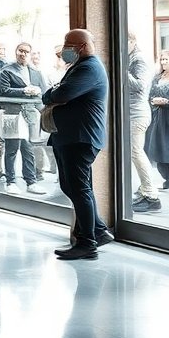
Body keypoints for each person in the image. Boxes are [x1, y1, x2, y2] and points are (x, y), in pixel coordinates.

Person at [43, 29, 112, 260]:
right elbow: (58, 93)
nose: (64, 49)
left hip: (80, 138)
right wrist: (53, 92)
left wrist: (52, 92)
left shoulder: (89, 67)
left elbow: (62, 94)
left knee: (79, 188)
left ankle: (87, 243)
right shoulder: (80, 66)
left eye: (68, 44)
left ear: (81, 46)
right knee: (72, 187)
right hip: (71, 137)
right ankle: (99, 231)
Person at [0, 42, 48, 196]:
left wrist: (42, 104)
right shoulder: (6, 71)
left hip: (30, 113)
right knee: (12, 147)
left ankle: (31, 181)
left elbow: (43, 92)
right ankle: (10, 181)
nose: (23, 54)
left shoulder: (35, 72)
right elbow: (3, 90)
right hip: (12, 113)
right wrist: (24, 91)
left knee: (28, 148)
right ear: (16, 52)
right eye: (21, 51)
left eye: (26, 51)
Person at [143, 50, 169, 212]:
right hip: (158, 120)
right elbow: (150, 96)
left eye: (166, 59)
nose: (163, 62)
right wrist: (154, 101)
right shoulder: (157, 78)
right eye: (161, 60)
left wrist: (166, 101)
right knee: (158, 150)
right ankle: (168, 180)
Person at [126, 33, 158, 206]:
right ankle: (145, 189)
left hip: (137, 113)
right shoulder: (131, 57)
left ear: (132, 41)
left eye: (124, 42)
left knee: (136, 152)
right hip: (132, 113)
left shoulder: (139, 59)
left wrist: (122, 69)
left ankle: (151, 193)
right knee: (135, 152)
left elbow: (140, 86)